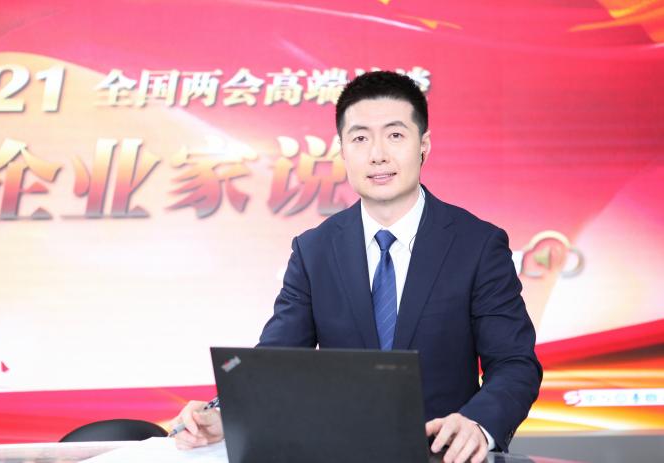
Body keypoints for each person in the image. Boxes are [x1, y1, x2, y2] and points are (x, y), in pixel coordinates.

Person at [171, 71, 542, 463]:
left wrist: (477, 423)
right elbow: (274, 363)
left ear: (424, 145)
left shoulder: (477, 245)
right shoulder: (314, 250)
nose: (377, 154)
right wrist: (223, 413)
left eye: (395, 135)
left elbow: (514, 363)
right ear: (342, 151)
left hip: (444, 455)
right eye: (360, 138)